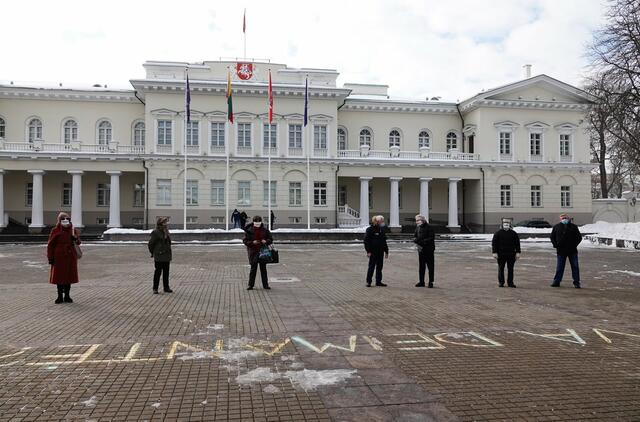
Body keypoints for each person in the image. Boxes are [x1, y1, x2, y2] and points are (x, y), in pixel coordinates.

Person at [47, 212, 81, 304]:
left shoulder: (73, 230)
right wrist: (50, 257)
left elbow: (78, 242)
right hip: (59, 257)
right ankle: (59, 296)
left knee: (69, 276)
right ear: (59, 220)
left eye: (67, 219)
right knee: (59, 276)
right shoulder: (55, 230)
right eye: (63, 219)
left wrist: (75, 239)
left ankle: (67, 296)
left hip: (70, 256)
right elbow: (50, 245)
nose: (65, 220)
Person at [550, 213, 582, 288]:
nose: (564, 219)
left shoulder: (573, 227)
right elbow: (552, 237)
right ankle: (557, 281)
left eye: (565, 218)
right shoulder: (556, 227)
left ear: (568, 218)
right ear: (560, 219)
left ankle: (576, 282)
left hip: (572, 251)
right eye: (563, 218)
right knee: (560, 267)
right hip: (561, 251)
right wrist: (555, 245)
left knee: (575, 266)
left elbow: (579, 237)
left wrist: (574, 245)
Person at [243, 215, 273, 290]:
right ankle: (250, 285)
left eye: (259, 222)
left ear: (261, 222)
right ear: (253, 222)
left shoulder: (265, 230)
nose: (257, 224)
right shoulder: (249, 230)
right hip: (253, 252)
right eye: (256, 222)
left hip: (263, 251)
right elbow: (245, 241)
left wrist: (266, 241)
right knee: (253, 269)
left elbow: (270, 239)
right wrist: (252, 242)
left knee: (263, 269)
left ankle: (265, 285)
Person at [491, 220, 521, 288]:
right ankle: (501, 282)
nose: (506, 225)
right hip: (501, 254)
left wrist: (518, 252)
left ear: (510, 225)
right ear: (502, 225)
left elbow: (517, 244)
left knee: (510, 269)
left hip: (511, 254)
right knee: (501, 268)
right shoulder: (498, 233)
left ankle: (510, 283)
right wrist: (494, 252)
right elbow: (494, 243)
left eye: (507, 224)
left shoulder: (513, 233)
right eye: (505, 224)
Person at [148, 217, 173, 294]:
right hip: (159, 255)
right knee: (158, 272)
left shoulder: (166, 232)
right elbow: (151, 244)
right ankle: (155, 288)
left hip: (166, 255)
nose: (165, 224)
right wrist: (153, 252)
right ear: (160, 223)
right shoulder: (155, 232)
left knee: (166, 272)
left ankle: (166, 287)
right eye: (164, 222)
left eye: (166, 222)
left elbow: (169, 243)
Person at [364, 215, 389, 287]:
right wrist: (368, 251)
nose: (383, 222)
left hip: (380, 252)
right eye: (381, 221)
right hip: (373, 252)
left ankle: (378, 281)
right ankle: (368, 282)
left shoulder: (381, 229)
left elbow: (384, 241)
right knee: (371, 267)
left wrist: (386, 251)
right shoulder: (369, 229)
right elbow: (366, 241)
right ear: (377, 221)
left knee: (379, 267)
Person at [413, 214, 435, 288]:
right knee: (421, 266)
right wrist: (415, 240)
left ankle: (431, 282)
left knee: (430, 266)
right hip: (421, 249)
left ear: (422, 220)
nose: (416, 222)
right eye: (416, 221)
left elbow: (431, 238)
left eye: (418, 220)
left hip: (429, 249)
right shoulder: (418, 227)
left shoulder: (429, 227)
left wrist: (421, 242)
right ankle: (421, 281)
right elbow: (415, 236)